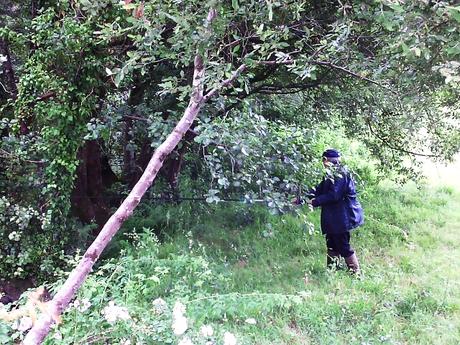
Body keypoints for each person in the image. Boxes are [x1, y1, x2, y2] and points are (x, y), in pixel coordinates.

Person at [296, 149, 364, 274]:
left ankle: (356, 273)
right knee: (331, 243)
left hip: (343, 216)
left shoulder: (341, 174)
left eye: (324, 160)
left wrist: (314, 202)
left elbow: (334, 195)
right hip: (334, 216)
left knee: (343, 245)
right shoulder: (330, 174)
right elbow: (319, 189)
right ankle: (332, 271)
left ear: (326, 160)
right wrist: (302, 199)